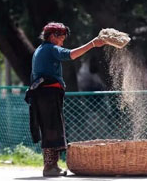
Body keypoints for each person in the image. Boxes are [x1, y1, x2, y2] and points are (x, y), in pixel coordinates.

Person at [28, 22, 105, 177]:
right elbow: (71, 54)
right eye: (61, 38)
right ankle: (50, 167)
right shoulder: (50, 48)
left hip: (41, 94)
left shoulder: (40, 50)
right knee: (52, 129)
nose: (62, 41)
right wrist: (93, 44)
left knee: (50, 128)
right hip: (48, 94)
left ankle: (52, 166)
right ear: (52, 37)